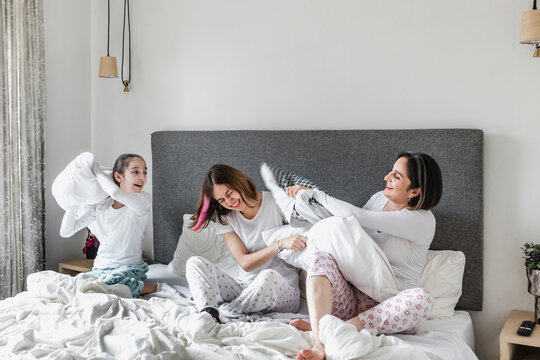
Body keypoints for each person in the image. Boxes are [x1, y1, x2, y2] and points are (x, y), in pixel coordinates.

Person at [282, 152, 443, 360]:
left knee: (422, 299)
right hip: (352, 299)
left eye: (396, 176)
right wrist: (309, 203)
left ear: (414, 191)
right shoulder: (379, 198)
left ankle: (328, 330)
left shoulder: (422, 220)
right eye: (391, 172)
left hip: (390, 308)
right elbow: (351, 231)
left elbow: (356, 216)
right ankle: (319, 343)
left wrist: (318, 194)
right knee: (320, 258)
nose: (387, 178)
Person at [185, 164, 306, 323]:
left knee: (267, 275)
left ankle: (228, 313)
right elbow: (245, 263)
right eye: (221, 199)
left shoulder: (275, 201)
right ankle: (210, 313)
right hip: (246, 288)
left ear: (239, 182)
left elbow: (312, 215)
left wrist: (304, 193)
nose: (229, 201)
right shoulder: (226, 219)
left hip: (282, 290)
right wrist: (279, 244)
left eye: (229, 193)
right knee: (194, 262)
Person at [59, 153, 164, 297]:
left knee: (112, 283)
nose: (143, 177)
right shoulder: (101, 206)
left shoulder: (143, 200)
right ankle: (106, 286)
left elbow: (115, 192)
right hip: (101, 268)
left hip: (130, 269)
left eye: (145, 172)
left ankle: (152, 288)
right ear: (118, 177)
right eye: (136, 172)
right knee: (77, 284)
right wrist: (73, 201)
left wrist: (95, 169)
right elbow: (66, 231)